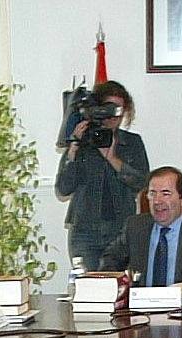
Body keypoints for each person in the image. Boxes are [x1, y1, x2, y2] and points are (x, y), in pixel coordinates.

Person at [53, 81, 150, 269]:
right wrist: (73, 147)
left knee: (118, 288)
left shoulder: (132, 143)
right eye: (108, 108)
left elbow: (142, 184)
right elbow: (63, 189)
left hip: (121, 229)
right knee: (89, 289)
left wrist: (112, 158)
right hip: (85, 231)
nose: (114, 115)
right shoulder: (81, 142)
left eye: (119, 109)